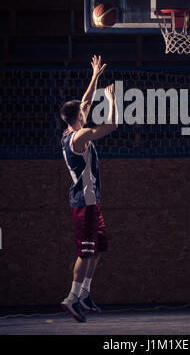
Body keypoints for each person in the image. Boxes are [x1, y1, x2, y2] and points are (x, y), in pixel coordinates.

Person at [59, 55, 117, 322]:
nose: (87, 110)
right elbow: (112, 125)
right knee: (85, 252)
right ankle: (71, 299)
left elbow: (85, 100)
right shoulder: (80, 136)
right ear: (78, 118)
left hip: (92, 201)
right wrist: (112, 99)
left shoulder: (69, 130)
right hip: (83, 202)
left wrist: (95, 76)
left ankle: (85, 293)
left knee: (99, 249)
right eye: (83, 112)